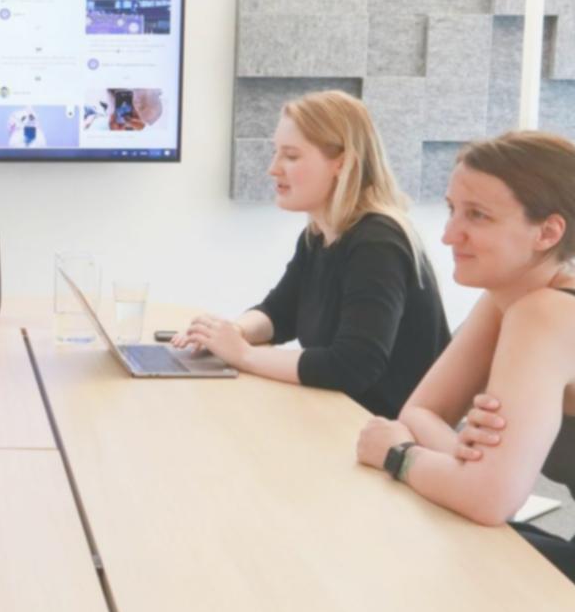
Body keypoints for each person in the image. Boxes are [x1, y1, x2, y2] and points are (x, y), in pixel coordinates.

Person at [356, 132, 575, 591]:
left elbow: (489, 499)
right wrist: (467, 467)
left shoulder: (547, 314)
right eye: (452, 209)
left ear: (547, 232)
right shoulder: (518, 292)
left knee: (417, 551)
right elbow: (420, 413)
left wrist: (398, 454)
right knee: (424, 524)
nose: (448, 234)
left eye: (477, 216)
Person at [173, 90, 449, 416]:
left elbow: (354, 365)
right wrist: (234, 331)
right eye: (276, 153)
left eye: (290, 156)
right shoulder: (318, 235)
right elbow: (280, 314)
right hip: (343, 417)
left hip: (386, 433)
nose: (273, 169)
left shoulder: (378, 243)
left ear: (342, 164)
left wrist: (243, 355)